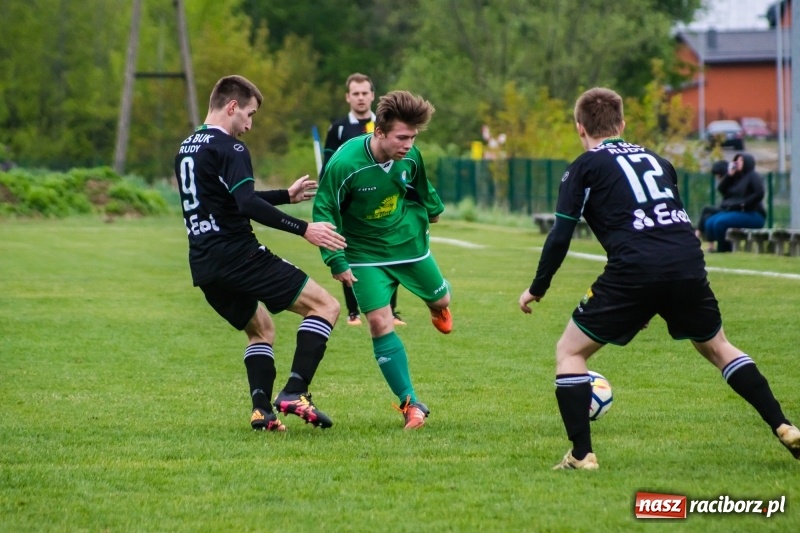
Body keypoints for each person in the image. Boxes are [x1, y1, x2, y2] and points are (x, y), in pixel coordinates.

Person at [518, 87, 799, 470]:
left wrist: (537, 288)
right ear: (622, 124)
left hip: (635, 268)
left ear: (580, 127)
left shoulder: (583, 167)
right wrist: (648, 301)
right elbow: (666, 224)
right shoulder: (658, 160)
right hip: (686, 262)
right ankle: (783, 425)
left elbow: (560, 235)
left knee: (570, 352)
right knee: (718, 347)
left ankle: (582, 455)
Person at [174, 75, 347, 432]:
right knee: (326, 306)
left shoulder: (187, 147)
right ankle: (295, 391)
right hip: (239, 256)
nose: (250, 125)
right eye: (250, 114)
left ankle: (262, 412)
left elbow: (231, 200)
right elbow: (247, 204)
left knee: (261, 329)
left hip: (205, 264)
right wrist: (304, 229)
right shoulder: (231, 148)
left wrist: (285, 195)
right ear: (232, 107)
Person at [313, 90, 452, 430]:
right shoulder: (345, 164)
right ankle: (410, 404)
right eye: (402, 137)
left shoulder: (411, 157)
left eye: (413, 137)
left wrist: (434, 210)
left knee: (442, 299)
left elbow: (422, 187)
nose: (408, 144)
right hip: (362, 252)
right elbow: (324, 210)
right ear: (379, 132)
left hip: (407, 243)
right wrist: (336, 260)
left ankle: (436, 305)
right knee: (378, 322)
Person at [322, 73, 403, 327]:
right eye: (355, 93)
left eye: (364, 93)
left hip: (380, 200)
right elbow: (329, 166)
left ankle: (391, 310)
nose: (360, 97)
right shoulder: (338, 128)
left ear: (372, 95)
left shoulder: (383, 126)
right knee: (350, 252)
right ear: (348, 97)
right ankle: (353, 312)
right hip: (349, 205)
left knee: (388, 250)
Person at [702, 152, 766, 253]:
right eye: (737, 160)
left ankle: (723, 250)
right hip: (738, 212)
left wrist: (745, 203)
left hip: (753, 214)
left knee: (720, 222)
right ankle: (722, 247)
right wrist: (729, 175)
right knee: (710, 222)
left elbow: (759, 193)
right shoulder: (735, 178)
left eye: (741, 160)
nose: (738, 162)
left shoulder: (753, 176)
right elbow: (722, 189)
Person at [694, 159, 729, 252]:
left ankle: (696, 237)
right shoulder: (725, 183)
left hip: (729, 210)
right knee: (707, 217)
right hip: (725, 208)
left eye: (718, 175)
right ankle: (710, 246)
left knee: (706, 209)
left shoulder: (729, 182)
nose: (717, 178)